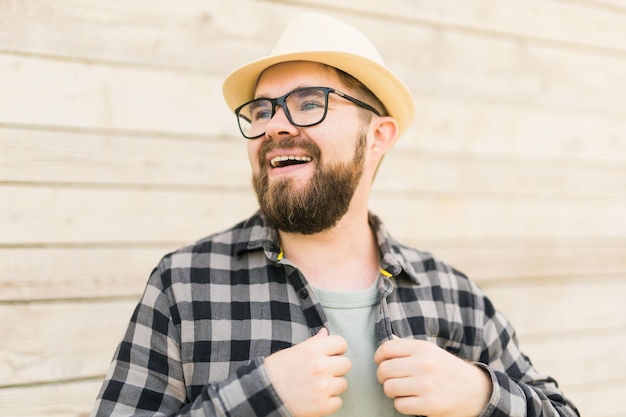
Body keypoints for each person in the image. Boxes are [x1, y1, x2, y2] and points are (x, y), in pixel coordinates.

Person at [91, 12, 579, 417]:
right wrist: (258, 397)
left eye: (309, 104)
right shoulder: (186, 285)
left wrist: (479, 395)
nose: (275, 126)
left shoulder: (451, 296)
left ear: (378, 135)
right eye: (261, 111)